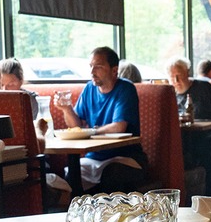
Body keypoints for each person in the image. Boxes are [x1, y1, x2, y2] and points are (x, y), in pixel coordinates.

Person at [55, 47, 148, 193]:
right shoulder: (89, 89)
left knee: (112, 174)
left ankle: (108, 214)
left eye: (98, 67)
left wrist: (90, 131)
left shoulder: (125, 89)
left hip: (126, 158)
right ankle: (80, 213)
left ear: (114, 70)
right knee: (71, 175)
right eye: (91, 66)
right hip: (94, 158)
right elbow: (76, 126)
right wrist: (67, 109)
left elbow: (119, 127)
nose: (92, 72)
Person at [168, 57, 211, 197]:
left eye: (179, 76)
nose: (176, 81)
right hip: (185, 138)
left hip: (208, 134)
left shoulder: (203, 88)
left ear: (187, 72)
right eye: (172, 77)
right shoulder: (170, 96)